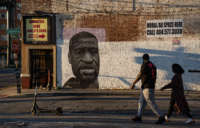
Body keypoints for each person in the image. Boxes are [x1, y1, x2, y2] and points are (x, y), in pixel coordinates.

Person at [130, 53, 165, 124]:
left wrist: (133, 83)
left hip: (147, 87)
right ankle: (139, 116)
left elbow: (140, 74)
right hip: (149, 86)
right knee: (141, 102)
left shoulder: (144, 65)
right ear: (149, 58)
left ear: (143, 59)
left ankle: (161, 116)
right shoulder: (153, 65)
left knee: (151, 102)